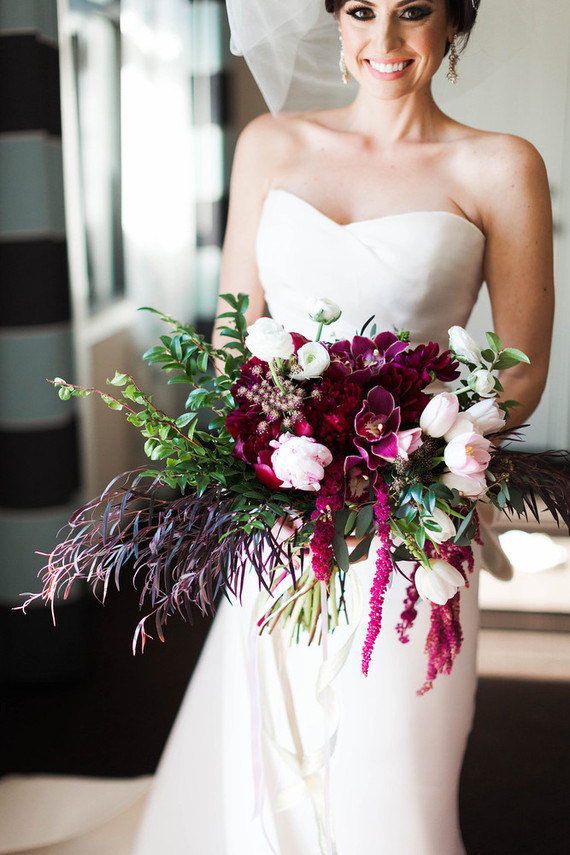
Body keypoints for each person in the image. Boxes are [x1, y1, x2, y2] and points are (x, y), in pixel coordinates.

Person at [132, 1, 554, 853]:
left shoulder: (502, 165)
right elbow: (230, 334)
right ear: (333, 17)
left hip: (418, 525)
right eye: (361, 10)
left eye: (413, 12)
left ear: (453, 22)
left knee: (394, 769)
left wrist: (425, 459)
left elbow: (520, 366)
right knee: (270, 742)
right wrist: (265, 452)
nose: (385, 42)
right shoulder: (271, 145)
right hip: (282, 503)